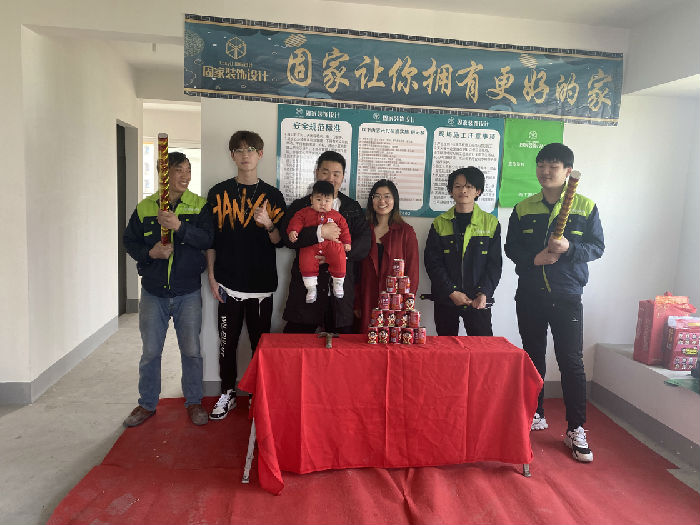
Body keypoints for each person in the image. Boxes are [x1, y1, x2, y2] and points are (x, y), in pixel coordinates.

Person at [504, 142, 604, 463]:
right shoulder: (524, 208)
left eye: (553, 166)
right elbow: (511, 247)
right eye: (541, 165)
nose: (545, 171)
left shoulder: (584, 206)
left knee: (571, 362)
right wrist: (534, 259)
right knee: (532, 356)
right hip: (530, 295)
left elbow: (597, 247)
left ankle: (576, 428)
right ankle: (536, 412)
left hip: (567, 296)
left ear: (567, 171)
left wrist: (569, 248)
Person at [123, 152, 214, 427]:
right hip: (154, 293)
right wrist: (150, 253)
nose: (185, 176)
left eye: (188, 170)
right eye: (178, 170)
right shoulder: (145, 207)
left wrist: (179, 227)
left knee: (191, 351)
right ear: (164, 174)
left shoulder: (199, 205)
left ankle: (194, 402)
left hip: (188, 292)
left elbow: (208, 239)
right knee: (150, 352)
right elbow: (129, 241)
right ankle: (147, 404)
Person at [206, 131, 287, 420]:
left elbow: (280, 241)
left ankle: (257, 394)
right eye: (239, 150)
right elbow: (210, 240)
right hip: (227, 284)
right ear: (232, 155)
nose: (245, 155)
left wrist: (268, 224)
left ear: (260, 154)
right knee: (226, 344)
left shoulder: (273, 196)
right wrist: (212, 277)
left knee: (259, 345)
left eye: (251, 149)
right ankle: (227, 392)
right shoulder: (218, 193)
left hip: (261, 286)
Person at [281, 151, 371, 334]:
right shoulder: (301, 205)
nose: (330, 178)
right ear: (316, 173)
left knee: (340, 347)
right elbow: (287, 238)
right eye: (325, 172)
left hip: (340, 295)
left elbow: (364, 243)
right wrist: (319, 233)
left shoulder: (352, 207)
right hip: (305, 290)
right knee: (295, 343)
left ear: (343, 177)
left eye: (336, 174)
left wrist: (336, 255)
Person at [424, 167, 502, 336]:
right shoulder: (439, 223)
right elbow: (433, 263)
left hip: (478, 299)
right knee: (447, 348)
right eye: (457, 186)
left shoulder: (491, 223)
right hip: (446, 298)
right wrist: (451, 292)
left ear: (478, 191)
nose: (463, 190)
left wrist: (484, 293)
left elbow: (494, 264)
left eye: (469, 186)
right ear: (451, 191)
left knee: (482, 347)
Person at [354, 179, 419, 332]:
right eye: (377, 196)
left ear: (394, 200)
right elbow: (354, 269)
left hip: (395, 302)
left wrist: (406, 304)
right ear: (371, 200)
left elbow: (412, 272)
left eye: (387, 196)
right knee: (366, 341)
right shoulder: (363, 229)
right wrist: (356, 302)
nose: (382, 201)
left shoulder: (406, 232)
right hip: (366, 297)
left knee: (392, 341)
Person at [287, 180, 352, 303]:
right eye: (318, 200)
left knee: (339, 253)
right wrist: (293, 231)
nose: (323, 204)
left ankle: (338, 282)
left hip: (330, 245)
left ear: (332, 201)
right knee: (305, 259)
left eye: (327, 200)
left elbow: (344, 229)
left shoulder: (337, 216)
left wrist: (346, 242)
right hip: (311, 245)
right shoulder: (303, 213)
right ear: (311, 199)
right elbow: (296, 221)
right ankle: (311, 288)